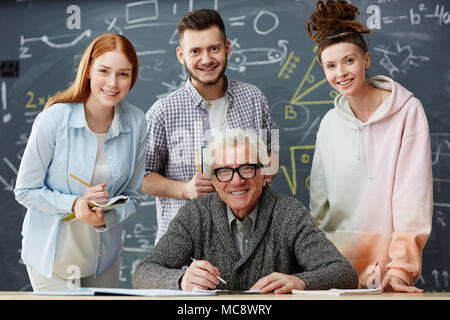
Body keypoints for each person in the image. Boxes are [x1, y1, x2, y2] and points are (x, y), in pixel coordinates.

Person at [132, 128, 358, 293]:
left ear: (263, 173)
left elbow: (344, 273)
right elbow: (143, 274)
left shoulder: (289, 213)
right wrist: (181, 280)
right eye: (224, 172)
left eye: (247, 168)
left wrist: (302, 282)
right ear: (213, 179)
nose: (237, 181)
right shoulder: (195, 214)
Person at [306, 0, 433, 292]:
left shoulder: (407, 112)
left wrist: (401, 269)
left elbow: (413, 196)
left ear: (366, 60)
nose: (341, 73)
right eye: (331, 66)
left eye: (349, 61)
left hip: (389, 271)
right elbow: (320, 206)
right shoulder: (329, 123)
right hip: (336, 272)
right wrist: (320, 267)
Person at [14, 33, 147, 291]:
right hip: (52, 258)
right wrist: (76, 203)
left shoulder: (137, 122)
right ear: (87, 70)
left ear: (132, 76)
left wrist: (103, 219)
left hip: (103, 257)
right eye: (104, 71)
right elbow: (25, 190)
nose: (112, 83)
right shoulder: (54, 120)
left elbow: (134, 195)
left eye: (123, 74)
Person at [142, 9, 279, 244]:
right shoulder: (162, 112)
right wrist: (185, 189)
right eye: (195, 51)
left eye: (213, 48)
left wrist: (267, 169)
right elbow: (141, 177)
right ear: (181, 55)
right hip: (186, 249)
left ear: (227, 47)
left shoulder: (254, 98)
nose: (206, 59)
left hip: (250, 242)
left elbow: (272, 150)